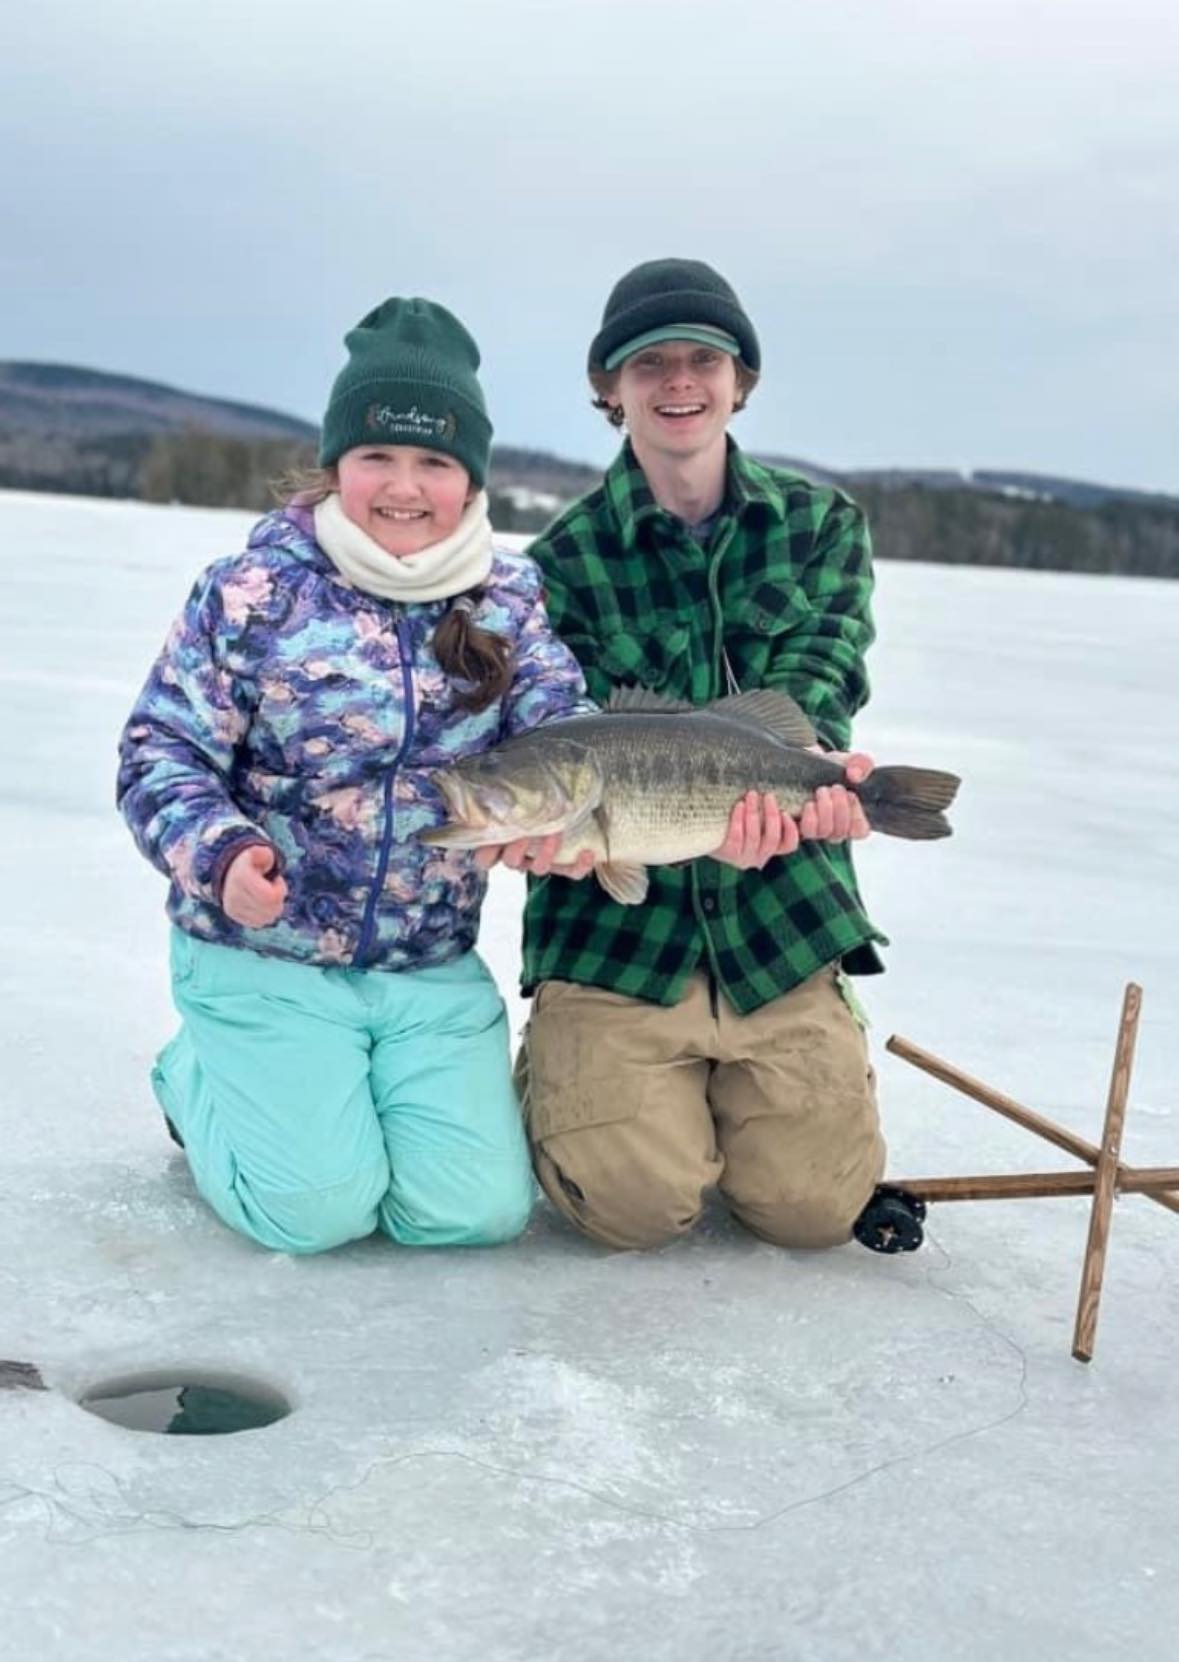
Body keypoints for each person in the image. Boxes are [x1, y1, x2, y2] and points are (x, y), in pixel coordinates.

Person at [117, 296, 590, 1256]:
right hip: (266, 956)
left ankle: (335, 1093)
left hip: (426, 962)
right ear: (337, 464)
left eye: (434, 462)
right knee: (315, 1212)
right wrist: (222, 855)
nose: (403, 487)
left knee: (473, 1213)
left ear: (470, 479)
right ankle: (193, 1078)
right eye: (377, 456)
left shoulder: (510, 600)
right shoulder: (254, 591)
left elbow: (561, 728)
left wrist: (571, 819)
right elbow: (160, 751)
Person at [499, 257, 890, 1253]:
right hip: (619, 934)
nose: (679, 382)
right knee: (632, 1211)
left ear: (739, 379)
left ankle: (783, 1070)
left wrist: (811, 792)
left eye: (703, 359)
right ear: (610, 388)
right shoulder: (560, 564)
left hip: (781, 915)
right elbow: (557, 741)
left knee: (810, 1213)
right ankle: (569, 1076)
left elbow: (815, 686)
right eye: (649, 363)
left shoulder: (820, 528)